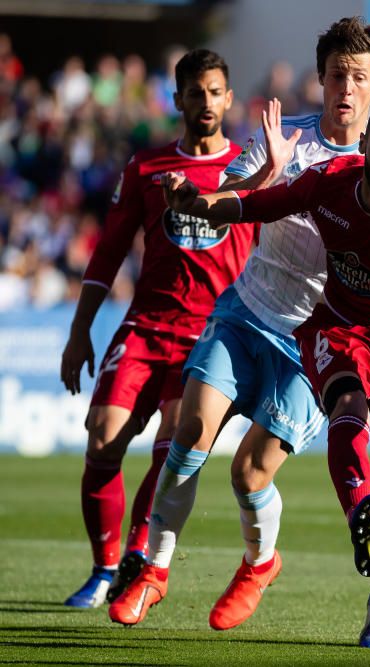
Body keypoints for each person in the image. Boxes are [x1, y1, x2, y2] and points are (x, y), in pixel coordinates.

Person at [109, 17, 370, 631]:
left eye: (358, 77)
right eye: (336, 74)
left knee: (250, 472)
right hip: (248, 310)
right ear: (320, 78)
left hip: (312, 337)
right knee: (187, 441)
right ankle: (153, 570)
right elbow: (228, 200)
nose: (345, 87)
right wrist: (265, 172)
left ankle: (260, 564)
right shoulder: (284, 139)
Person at [60, 49, 251, 608]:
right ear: (179, 100)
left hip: (211, 338)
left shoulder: (248, 172)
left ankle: (139, 561)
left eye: (217, 91)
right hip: (146, 326)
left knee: (170, 450)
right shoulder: (146, 169)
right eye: (197, 92)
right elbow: (108, 254)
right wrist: (79, 332)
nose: (208, 102)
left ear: (229, 98)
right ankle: (104, 567)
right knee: (101, 439)